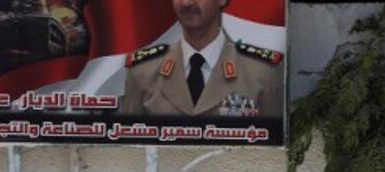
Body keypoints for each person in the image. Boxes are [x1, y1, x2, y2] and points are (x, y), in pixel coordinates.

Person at [122, 0, 284, 118]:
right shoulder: (143, 71)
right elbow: (130, 147)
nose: (186, 3)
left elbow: (273, 147)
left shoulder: (261, 73)